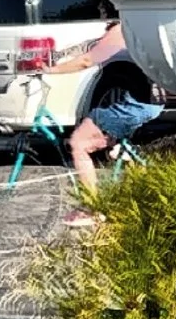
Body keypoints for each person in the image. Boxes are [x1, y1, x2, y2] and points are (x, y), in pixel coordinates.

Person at [66, 21, 161, 197]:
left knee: (79, 143)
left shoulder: (119, 33)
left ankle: (93, 206)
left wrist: (51, 69)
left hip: (140, 106)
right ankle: (124, 154)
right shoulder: (137, 30)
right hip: (147, 103)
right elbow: (83, 49)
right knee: (106, 134)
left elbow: (86, 59)